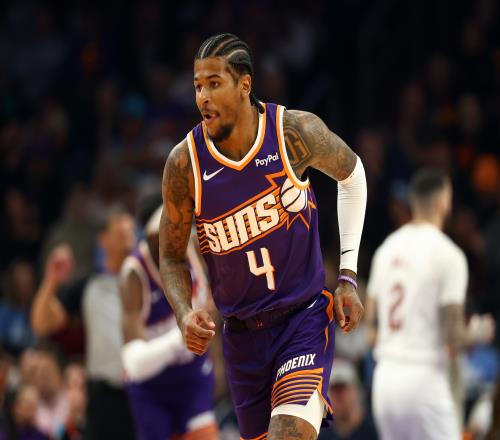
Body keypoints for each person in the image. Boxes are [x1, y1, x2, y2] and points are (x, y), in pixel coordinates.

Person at [159, 33, 367, 439]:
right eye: (197, 86)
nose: (203, 97)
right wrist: (184, 312)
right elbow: (170, 256)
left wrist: (347, 275)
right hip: (242, 342)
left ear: (244, 85)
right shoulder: (185, 164)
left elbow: (353, 175)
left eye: (214, 83)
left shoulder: (293, 133)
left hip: (302, 320)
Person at [365, 168, 495, 440]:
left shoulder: (386, 249)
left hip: (385, 379)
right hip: (423, 376)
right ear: (442, 203)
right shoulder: (449, 254)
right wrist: (479, 332)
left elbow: (371, 330)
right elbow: (452, 336)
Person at [30, 207, 136, 440]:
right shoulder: (90, 285)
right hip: (105, 397)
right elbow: (41, 323)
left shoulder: (148, 277)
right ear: (103, 239)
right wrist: (51, 280)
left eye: (130, 227)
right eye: (119, 227)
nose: (127, 230)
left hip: (146, 388)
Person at [119, 196, 218, 439]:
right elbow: (134, 364)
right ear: (152, 237)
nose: (178, 239)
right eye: (171, 232)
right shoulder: (134, 275)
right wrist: (180, 337)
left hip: (192, 378)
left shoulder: (194, 248)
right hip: (152, 390)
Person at [318, 359, 378, 440]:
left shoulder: (375, 428)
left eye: (344, 390)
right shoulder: (322, 435)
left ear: (356, 391)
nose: (339, 397)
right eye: (334, 391)